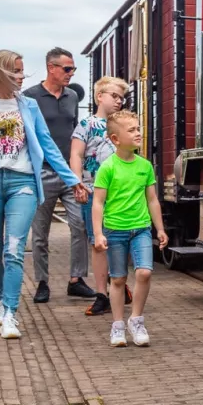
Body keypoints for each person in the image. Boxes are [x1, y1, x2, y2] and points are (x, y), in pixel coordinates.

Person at [0, 50, 85, 339]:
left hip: (24, 183)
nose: (21, 76)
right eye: (16, 71)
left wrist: (72, 179)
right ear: (0, 72)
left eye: (22, 71)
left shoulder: (28, 105)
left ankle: (11, 314)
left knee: (13, 250)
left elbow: (47, 145)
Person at [90, 110, 168, 347]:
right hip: (115, 231)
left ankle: (136, 319)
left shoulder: (145, 167)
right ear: (115, 139)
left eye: (138, 128)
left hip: (141, 229)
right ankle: (117, 326)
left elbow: (152, 200)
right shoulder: (107, 168)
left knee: (144, 272)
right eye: (132, 130)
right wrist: (98, 233)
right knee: (118, 279)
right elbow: (98, 203)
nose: (138, 133)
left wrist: (160, 229)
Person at [24, 46, 96, 305]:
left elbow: (75, 133)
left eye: (73, 69)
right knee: (40, 233)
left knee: (79, 225)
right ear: (51, 68)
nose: (71, 73)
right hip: (41, 173)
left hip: (69, 173)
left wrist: (79, 173)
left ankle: (76, 280)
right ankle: (42, 283)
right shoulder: (29, 97)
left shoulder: (72, 97)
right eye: (67, 69)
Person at [71, 75, 130, 317]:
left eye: (122, 98)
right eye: (114, 96)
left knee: (120, 239)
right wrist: (77, 183)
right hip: (93, 190)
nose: (119, 101)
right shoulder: (86, 125)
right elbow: (76, 154)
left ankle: (117, 284)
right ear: (99, 97)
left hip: (121, 192)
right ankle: (101, 294)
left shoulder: (123, 124)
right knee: (98, 243)